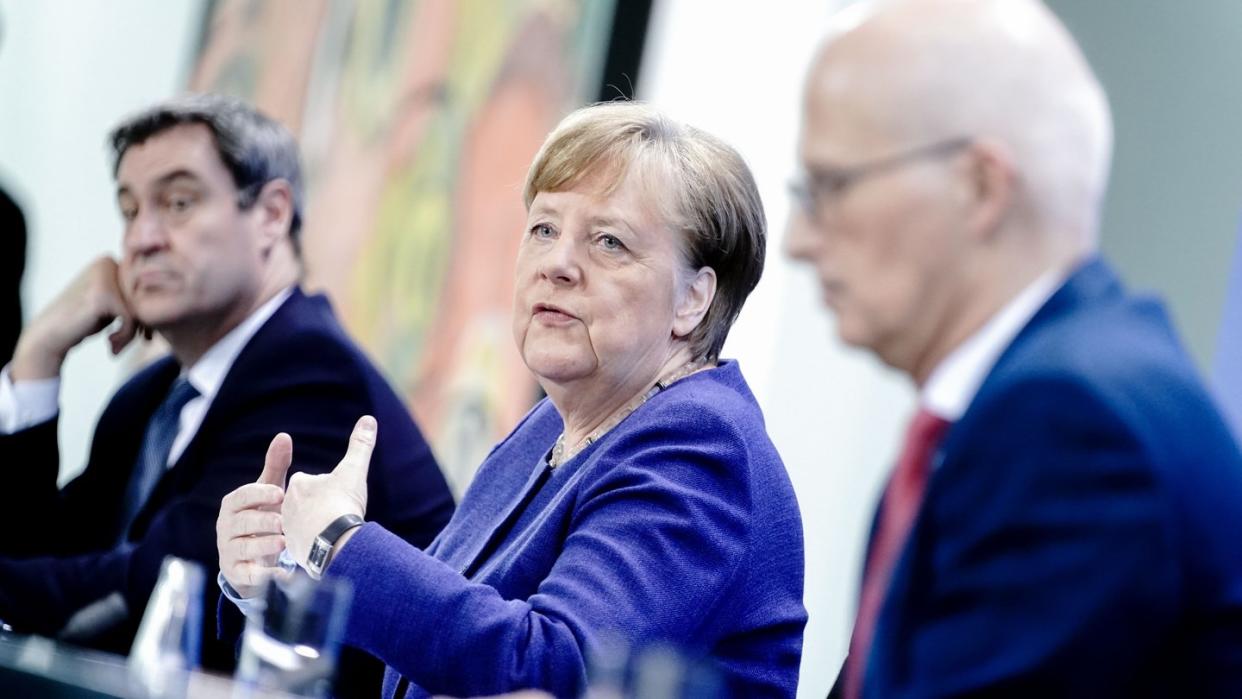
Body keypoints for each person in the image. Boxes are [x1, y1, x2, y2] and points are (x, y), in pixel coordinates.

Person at [219, 101, 808, 697]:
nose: (556, 264)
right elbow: (417, 667)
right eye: (544, 229)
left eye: (608, 242)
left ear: (692, 301)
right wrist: (281, 580)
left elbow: (552, 672)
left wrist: (338, 543)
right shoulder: (549, 426)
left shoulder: (701, 447)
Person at [785, 0, 1242, 696]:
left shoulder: (1071, 424)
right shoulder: (1025, 404)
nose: (799, 240)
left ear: (980, 187)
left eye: (831, 187)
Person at [0, 94, 455, 678]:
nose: (141, 239)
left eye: (178, 203)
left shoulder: (312, 374)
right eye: (129, 210)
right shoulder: (149, 398)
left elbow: (160, 590)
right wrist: (37, 356)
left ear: (270, 214)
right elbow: (40, 557)